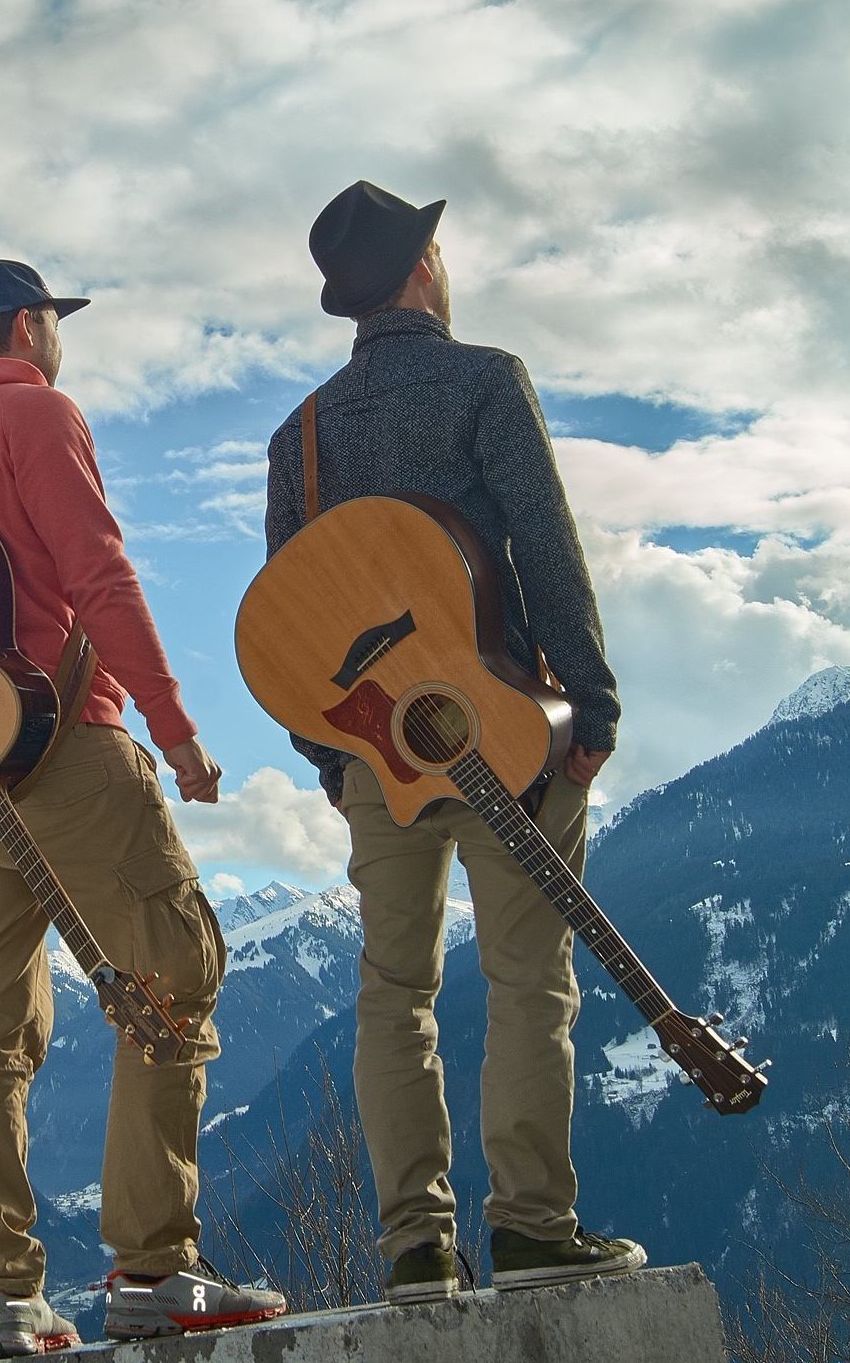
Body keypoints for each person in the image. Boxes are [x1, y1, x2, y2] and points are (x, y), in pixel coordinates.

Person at [0, 259, 286, 1356]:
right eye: (53, 322)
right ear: (26, 326)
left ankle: (6, 1299)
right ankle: (153, 1268)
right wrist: (172, 723)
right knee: (174, 974)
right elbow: (98, 573)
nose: (58, 340)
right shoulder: (37, 411)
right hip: (67, 747)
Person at [263, 182, 647, 1302]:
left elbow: (288, 617)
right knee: (531, 980)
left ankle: (415, 1248)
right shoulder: (487, 380)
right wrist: (591, 699)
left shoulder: (305, 434)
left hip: (378, 753)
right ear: (425, 267)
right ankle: (530, 1227)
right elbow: (542, 544)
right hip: (508, 732)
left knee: (396, 994)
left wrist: (328, 758)